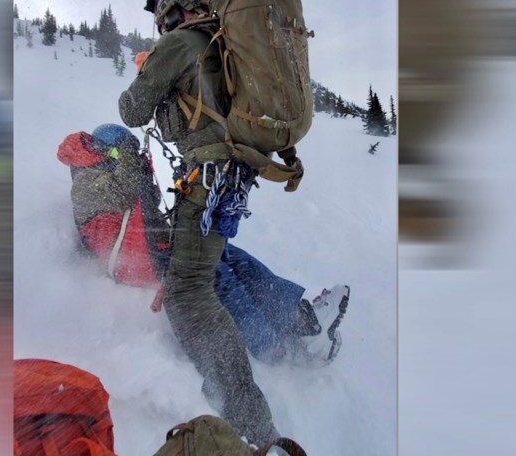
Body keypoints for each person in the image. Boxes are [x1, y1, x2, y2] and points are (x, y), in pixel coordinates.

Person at [117, 0, 331, 445]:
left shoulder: (178, 43)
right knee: (215, 262)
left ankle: (254, 429)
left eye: (165, 18)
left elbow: (132, 110)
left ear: (175, 14)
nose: (165, 24)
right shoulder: (222, 45)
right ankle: (292, 319)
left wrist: (146, 67)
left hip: (208, 180)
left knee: (189, 296)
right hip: (229, 178)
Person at [57, 124, 349, 367]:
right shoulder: (85, 182)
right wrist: (133, 159)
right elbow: (124, 191)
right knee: (211, 272)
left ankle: (299, 318)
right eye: (122, 150)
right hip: (136, 264)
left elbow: (143, 205)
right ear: (107, 152)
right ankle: (271, 346)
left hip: (153, 249)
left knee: (229, 254)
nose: (128, 155)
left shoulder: (107, 175)